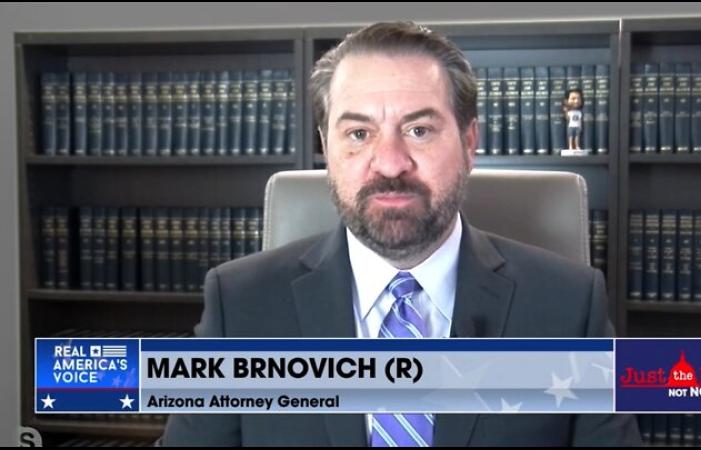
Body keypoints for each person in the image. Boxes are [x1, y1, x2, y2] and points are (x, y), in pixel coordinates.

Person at [161, 22, 641, 446]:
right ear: (327, 148)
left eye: (419, 130)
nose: (390, 164)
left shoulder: (569, 305)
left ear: (469, 143)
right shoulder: (240, 305)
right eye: (359, 134)